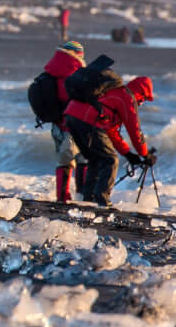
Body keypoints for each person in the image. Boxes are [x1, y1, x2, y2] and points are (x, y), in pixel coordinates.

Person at [63, 75, 156, 207]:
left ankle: (88, 201)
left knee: (95, 159)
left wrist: (128, 154)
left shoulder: (114, 93)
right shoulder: (126, 97)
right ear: (140, 93)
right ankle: (102, 202)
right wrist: (145, 154)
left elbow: (110, 131)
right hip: (87, 119)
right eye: (144, 99)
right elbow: (134, 128)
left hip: (72, 116)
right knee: (110, 160)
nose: (142, 103)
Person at [41, 40, 88, 203]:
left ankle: (63, 197)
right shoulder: (75, 73)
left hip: (56, 124)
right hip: (73, 124)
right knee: (81, 158)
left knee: (63, 159)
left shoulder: (52, 70)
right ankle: (77, 197)